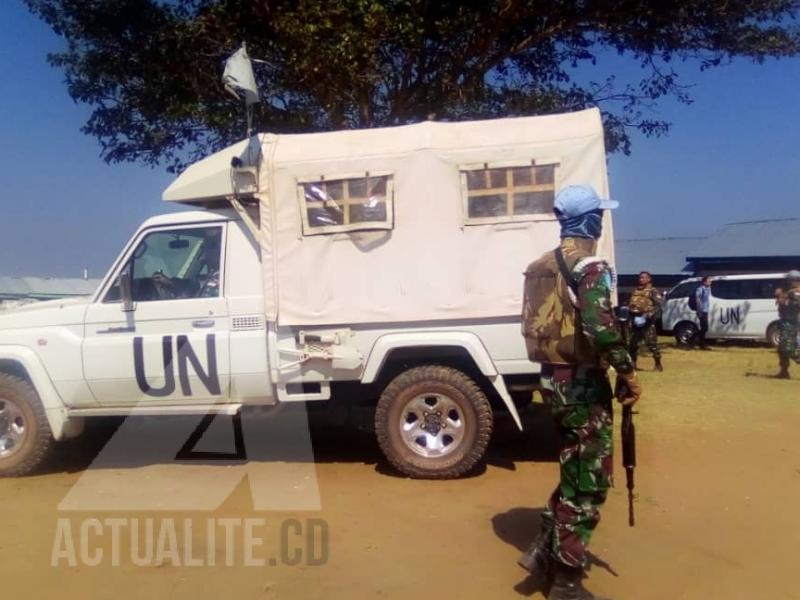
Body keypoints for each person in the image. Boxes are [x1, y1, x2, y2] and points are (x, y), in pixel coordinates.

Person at [519, 185, 641, 600]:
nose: (601, 222)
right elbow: (601, 326)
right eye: (599, 216)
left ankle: (542, 550)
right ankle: (567, 580)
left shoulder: (540, 265)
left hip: (553, 380)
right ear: (590, 220)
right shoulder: (590, 267)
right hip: (584, 382)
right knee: (589, 481)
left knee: (574, 467)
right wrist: (628, 372)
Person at [627, 271, 664, 371]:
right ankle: (633, 364)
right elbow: (631, 305)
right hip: (635, 320)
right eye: (640, 278)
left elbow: (659, 305)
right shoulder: (635, 291)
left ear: (649, 279)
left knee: (652, 344)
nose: (641, 279)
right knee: (632, 345)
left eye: (643, 278)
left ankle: (658, 364)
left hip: (647, 321)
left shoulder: (652, 291)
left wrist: (647, 315)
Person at [775, 270, 800, 379]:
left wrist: (783, 297)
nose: (788, 282)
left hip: (791, 323)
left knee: (788, 349)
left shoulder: (796, 293)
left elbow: (790, 303)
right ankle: (784, 371)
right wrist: (780, 296)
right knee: (781, 348)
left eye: (789, 280)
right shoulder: (790, 291)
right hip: (784, 322)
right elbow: (781, 302)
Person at [694, 276, 711, 349]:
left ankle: (695, 339)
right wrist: (698, 310)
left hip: (705, 310)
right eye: (709, 281)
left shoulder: (708, 289)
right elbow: (697, 299)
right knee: (704, 327)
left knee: (705, 327)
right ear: (704, 282)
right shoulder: (700, 289)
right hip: (701, 310)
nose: (710, 282)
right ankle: (702, 344)